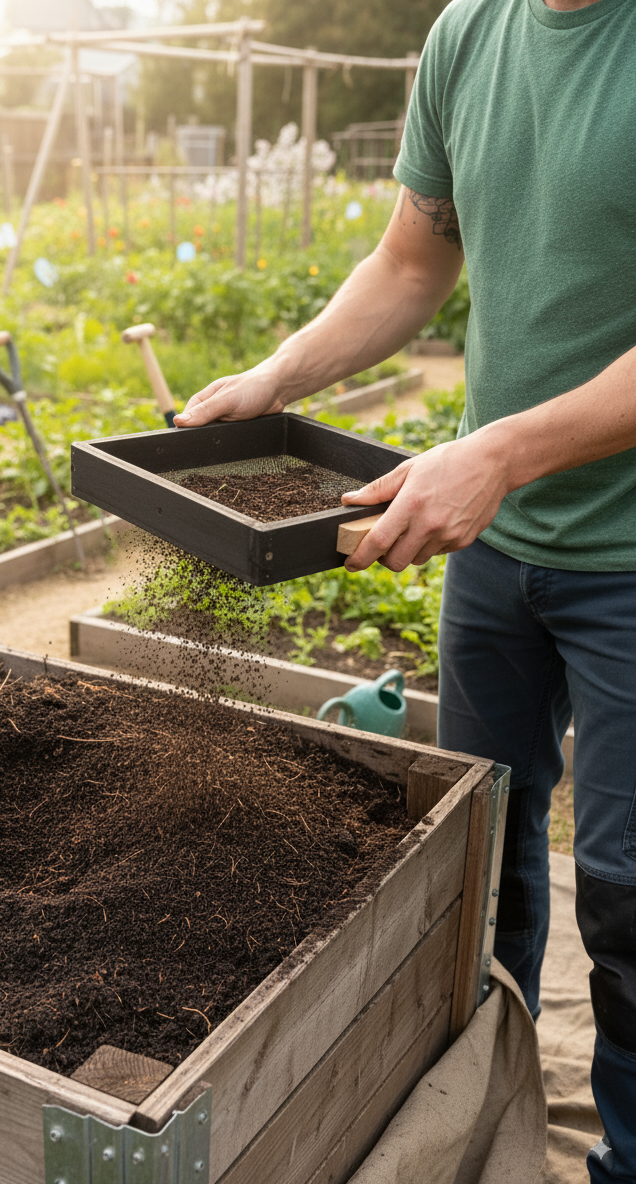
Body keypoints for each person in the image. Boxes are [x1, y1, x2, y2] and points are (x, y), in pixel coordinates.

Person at [173, 0, 636, 1178]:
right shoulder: (468, 34)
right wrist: (274, 379)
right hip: (495, 555)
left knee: (630, 898)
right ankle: (494, 1108)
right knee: (482, 857)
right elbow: (410, 260)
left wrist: (502, 452)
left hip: (628, 562)